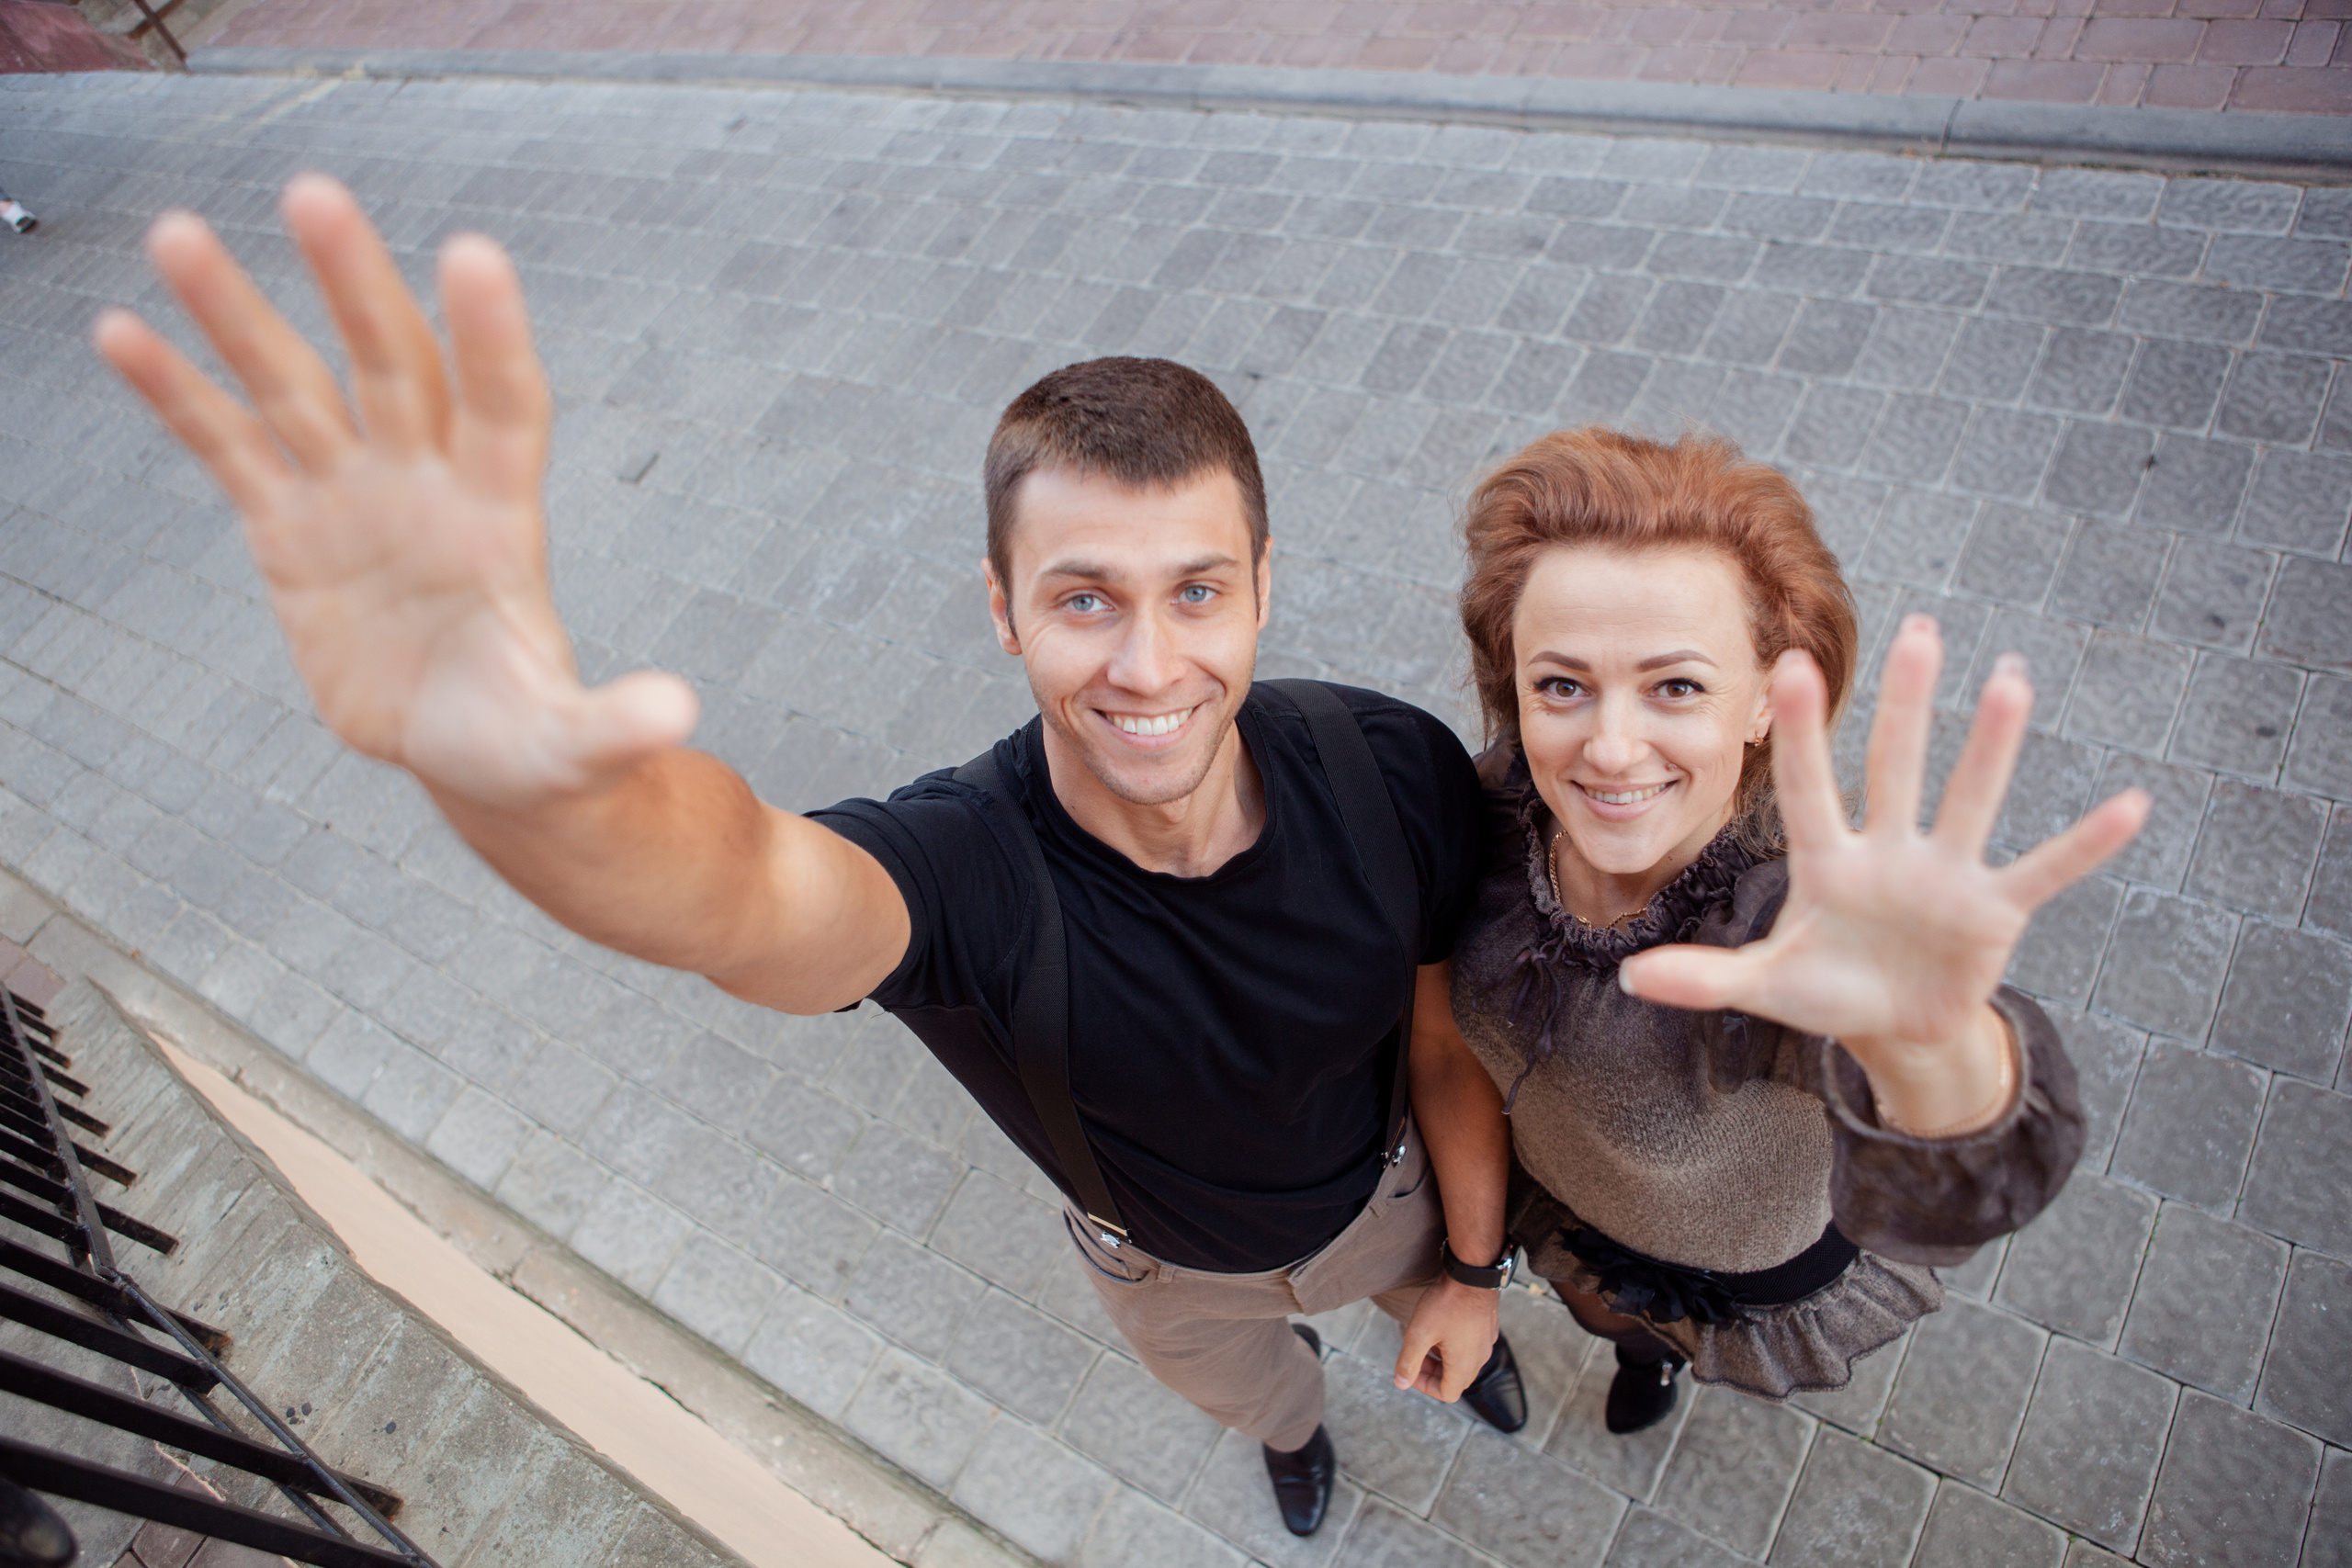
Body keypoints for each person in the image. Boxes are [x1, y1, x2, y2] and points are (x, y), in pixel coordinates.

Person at [94, 175, 1526, 1538]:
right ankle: (1293, 1435)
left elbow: (1446, 1042)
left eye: (1198, 590)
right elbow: (752, 892)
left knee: (1438, 1317)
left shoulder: (1382, 763)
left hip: (1391, 1198)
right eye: (1084, 596)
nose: (1150, 664)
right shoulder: (968, 866)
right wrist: (541, 797)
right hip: (1167, 1274)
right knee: (1253, 1389)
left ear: (1265, 584)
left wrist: (1469, 1271)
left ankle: (1450, 1335)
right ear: (1002, 606)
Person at [1411, 429, 2147, 1434]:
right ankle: (1639, 1352)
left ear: (1765, 697)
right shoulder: (1488, 812)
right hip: (1572, 1221)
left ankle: (1661, 1366)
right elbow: (1443, 1048)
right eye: (1562, 685)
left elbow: (1962, 1165)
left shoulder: (1785, 937)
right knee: (1618, 1322)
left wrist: (1934, 1048)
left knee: (1669, 1341)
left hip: (1743, 1269)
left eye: (1675, 685)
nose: (1611, 748)